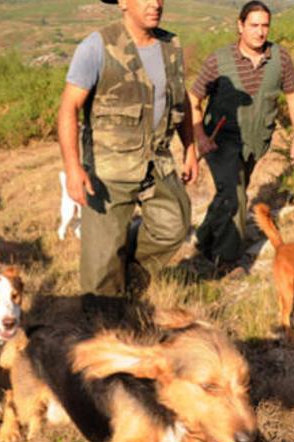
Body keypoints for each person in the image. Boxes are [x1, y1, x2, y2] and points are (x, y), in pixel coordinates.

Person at [58, 0, 199, 317]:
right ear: (123, 2)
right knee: (100, 270)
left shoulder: (171, 45)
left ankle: (127, 268)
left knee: (174, 225)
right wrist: (72, 167)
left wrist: (190, 148)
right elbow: (69, 107)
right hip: (109, 170)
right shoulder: (97, 46)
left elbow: (182, 101)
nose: (156, 3)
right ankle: (102, 331)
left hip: (156, 163)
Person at [189, 0, 294, 269]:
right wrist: (200, 137)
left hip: (256, 142)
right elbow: (192, 99)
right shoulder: (219, 60)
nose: (260, 32)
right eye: (253, 25)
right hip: (220, 140)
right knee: (235, 193)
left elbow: (293, 96)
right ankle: (226, 261)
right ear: (240, 26)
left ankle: (205, 236)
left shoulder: (281, 58)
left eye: (265, 25)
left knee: (230, 192)